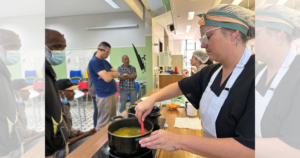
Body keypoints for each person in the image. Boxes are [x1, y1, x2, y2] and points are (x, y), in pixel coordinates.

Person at [135, 4, 255, 158]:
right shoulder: (211, 72)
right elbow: (180, 86)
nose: (203, 44)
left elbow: (250, 149)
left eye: (207, 37)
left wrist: (179, 140)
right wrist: (151, 99)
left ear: (233, 33)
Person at [255, 5, 300, 157]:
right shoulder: (259, 71)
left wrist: (236, 143)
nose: (253, 43)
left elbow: (294, 148)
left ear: (278, 34)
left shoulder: (297, 75)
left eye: (256, 34)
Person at [45, 28, 70, 157]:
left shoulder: (49, 71)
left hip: (57, 143)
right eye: (56, 46)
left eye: (63, 48)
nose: (60, 51)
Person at [55, 79, 96, 157]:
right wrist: (86, 134)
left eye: (73, 90)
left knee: (91, 138)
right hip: (59, 150)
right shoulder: (55, 112)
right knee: (89, 143)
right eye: (71, 91)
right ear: (60, 92)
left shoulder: (65, 105)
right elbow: (64, 142)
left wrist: (86, 132)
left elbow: (68, 131)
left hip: (65, 142)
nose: (74, 93)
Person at [0, 28, 24, 157]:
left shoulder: (3, 71)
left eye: (18, 48)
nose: (15, 51)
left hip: (10, 144)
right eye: (11, 46)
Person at [88, 41, 119, 131]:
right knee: (103, 122)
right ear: (100, 50)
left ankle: (109, 140)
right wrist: (109, 74)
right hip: (104, 95)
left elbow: (117, 74)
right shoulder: (94, 62)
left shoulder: (105, 62)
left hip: (112, 93)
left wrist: (108, 73)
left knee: (112, 119)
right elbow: (107, 79)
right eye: (107, 52)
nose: (108, 54)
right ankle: (100, 142)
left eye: (109, 52)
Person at [87, 52, 97, 127]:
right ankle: (96, 128)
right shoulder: (92, 65)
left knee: (101, 111)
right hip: (95, 91)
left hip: (100, 91)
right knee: (97, 110)